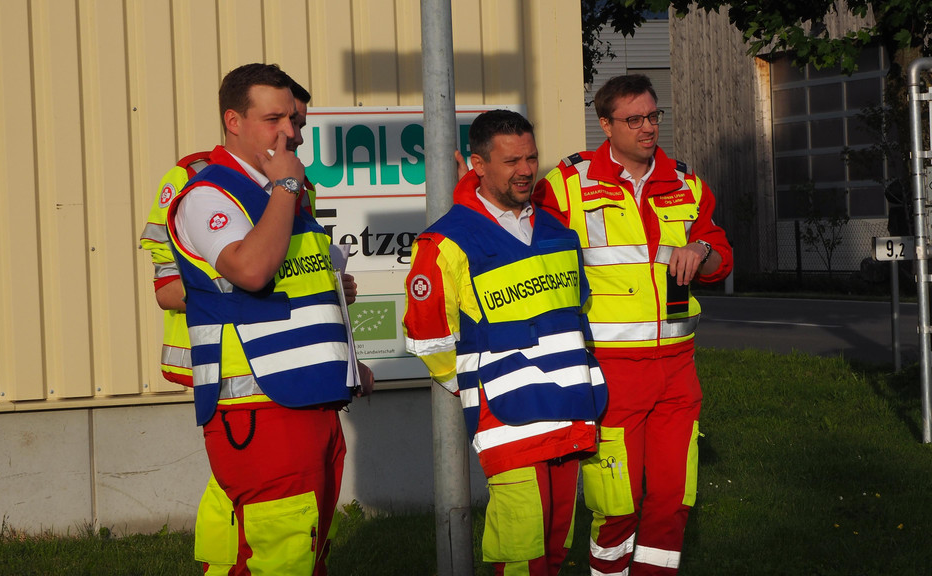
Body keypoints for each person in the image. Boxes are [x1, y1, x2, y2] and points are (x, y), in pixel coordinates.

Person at [139, 75, 355, 575]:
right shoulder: (207, 189)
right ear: (233, 122)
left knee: (298, 548)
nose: (291, 134)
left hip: (310, 393)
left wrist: (346, 364)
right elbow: (250, 271)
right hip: (258, 401)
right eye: (274, 119)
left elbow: (298, 284)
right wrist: (285, 187)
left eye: (294, 121)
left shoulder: (286, 191)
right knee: (281, 553)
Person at [532, 74, 733, 575]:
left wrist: (700, 249)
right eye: (634, 119)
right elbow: (518, 238)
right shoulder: (566, 185)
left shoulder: (685, 183)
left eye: (653, 116)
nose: (648, 128)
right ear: (606, 125)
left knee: (672, 499)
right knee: (616, 504)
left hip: (678, 371)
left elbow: (720, 257)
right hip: (611, 372)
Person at [403, 109, 608, 575]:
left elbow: (577, 314)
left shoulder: (558, 232)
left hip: (570, 410)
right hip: (509, 421)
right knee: (521, 554)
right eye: (512, 161)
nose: (526, 170)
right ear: (477, 165)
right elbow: (427, 335)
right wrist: (470, 385)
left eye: (531, 158)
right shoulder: (446, 242)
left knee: (555, 550)